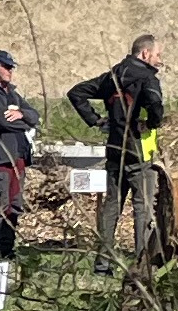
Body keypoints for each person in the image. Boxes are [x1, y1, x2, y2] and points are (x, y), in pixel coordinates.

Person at [68, 36, 167, 270]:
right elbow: (155, 104)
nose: (160, 60)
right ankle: (142, 262)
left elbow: (76, 93)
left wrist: (95, 120)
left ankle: (103, 262)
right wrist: (152, 123)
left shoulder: (111, 77)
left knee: (112, 206)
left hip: (114, 149)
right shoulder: (147, 78)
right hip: (137, 150)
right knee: (142, 206)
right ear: (145, 54)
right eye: (158, 55)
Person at [0, 49, 39, 259]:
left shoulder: (12, 94)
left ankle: (7, 249)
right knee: (0, 205)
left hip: (18, 158)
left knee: (15, 205)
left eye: (12, 67)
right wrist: (24, 123)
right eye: (7, 66)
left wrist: (21, 114)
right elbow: (2, 121)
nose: (11, 71)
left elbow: (34, 115)